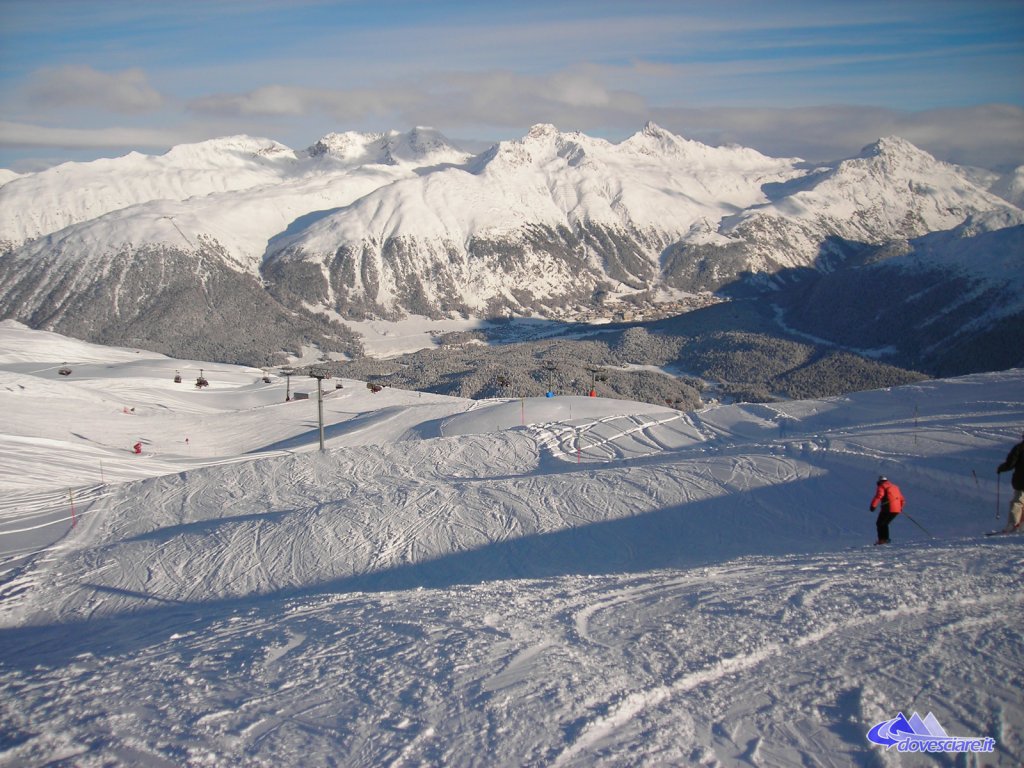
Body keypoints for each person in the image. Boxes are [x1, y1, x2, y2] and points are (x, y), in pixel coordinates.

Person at [996, 431, 1024, 533]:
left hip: (1021, 481)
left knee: (1017, 503)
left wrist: (1000, 468)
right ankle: (1021, 526)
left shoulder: (1019, 448)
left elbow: (1010, 463)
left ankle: (1013, 526)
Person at [870, 475, 905, 544]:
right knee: (884, 523)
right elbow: (902, 499)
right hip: (896, 510)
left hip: (888, 508)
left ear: (880, 481)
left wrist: (873, 506)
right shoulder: (895, 487)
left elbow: (879, 496)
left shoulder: (882, 486)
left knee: (880, 523)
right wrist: (900, 508)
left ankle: (882, 540)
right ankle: (885, 539)